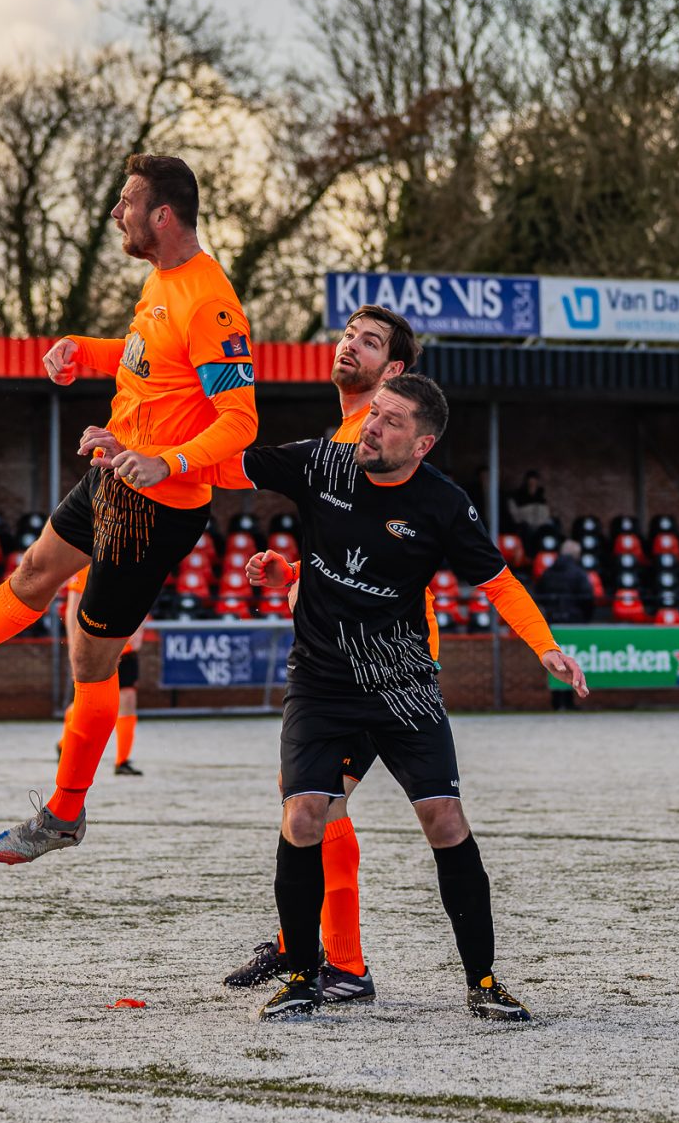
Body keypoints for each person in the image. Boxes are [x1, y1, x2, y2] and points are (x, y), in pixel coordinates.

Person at [0, 154, 259, 864]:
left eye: (127, 201)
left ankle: (65, 814)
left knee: (90, 659)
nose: (116, 212)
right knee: (34, 571)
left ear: (162, 214)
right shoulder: (160, 282)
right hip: (114, 474)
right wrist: (86, 352)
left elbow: (240, 420)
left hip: (157, 504)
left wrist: (168, 460)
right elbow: (148, 363)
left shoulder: (212, 300)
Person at [153, 374, 588, 1020]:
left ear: (423, 443)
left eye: (390, 421)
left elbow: (498, 582)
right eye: (373, 414)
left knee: (445, 819)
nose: (372, 427)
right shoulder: (323, 461)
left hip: (402, 682)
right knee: (303, 815)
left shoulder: (443, 504)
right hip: (322, 683)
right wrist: (147, 456)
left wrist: (544, 645)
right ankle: (302, 976)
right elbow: (225, 465)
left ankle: (484, 983)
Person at [215, 304, 419, 1003]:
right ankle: (304, 943)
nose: (348, 347)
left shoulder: (377, 443)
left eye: (368, 342)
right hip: (336, 655)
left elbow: (388, 556)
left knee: (318, 804)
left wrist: (159, 451)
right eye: (346, 336)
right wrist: (290, 576)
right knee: (305, 801)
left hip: (382, 660)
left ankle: (343, 963)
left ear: (394, 371)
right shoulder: (339, 438)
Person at [58, 568, 142, 777]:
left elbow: (141, 599)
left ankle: (122, 760)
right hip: (95, 644)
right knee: (89, 701)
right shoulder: (88, 564)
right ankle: (64, 742)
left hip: (124, 645)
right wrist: (73, 646)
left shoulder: (137, 559)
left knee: (128, 697)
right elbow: (73, 606)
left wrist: (139, 630)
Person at [533, 541, 596, 712]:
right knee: (571, 663)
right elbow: (588, 598)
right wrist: (583, 618)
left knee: (555, 660)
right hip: (573, 623)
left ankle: (557, 702)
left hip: (553, 623)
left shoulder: (548, 572)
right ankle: (568, 701)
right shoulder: (578, 573)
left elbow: (538, 594)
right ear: (576, 555)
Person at [504, 471, 556, 538]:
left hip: (542, 530)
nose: (532, 486)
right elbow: (515, 517)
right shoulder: (516, 498)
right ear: (526, 483)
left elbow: (547, 515)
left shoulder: (542, 499)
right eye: (530, 483)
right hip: (525, 529)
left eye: (534, 483)